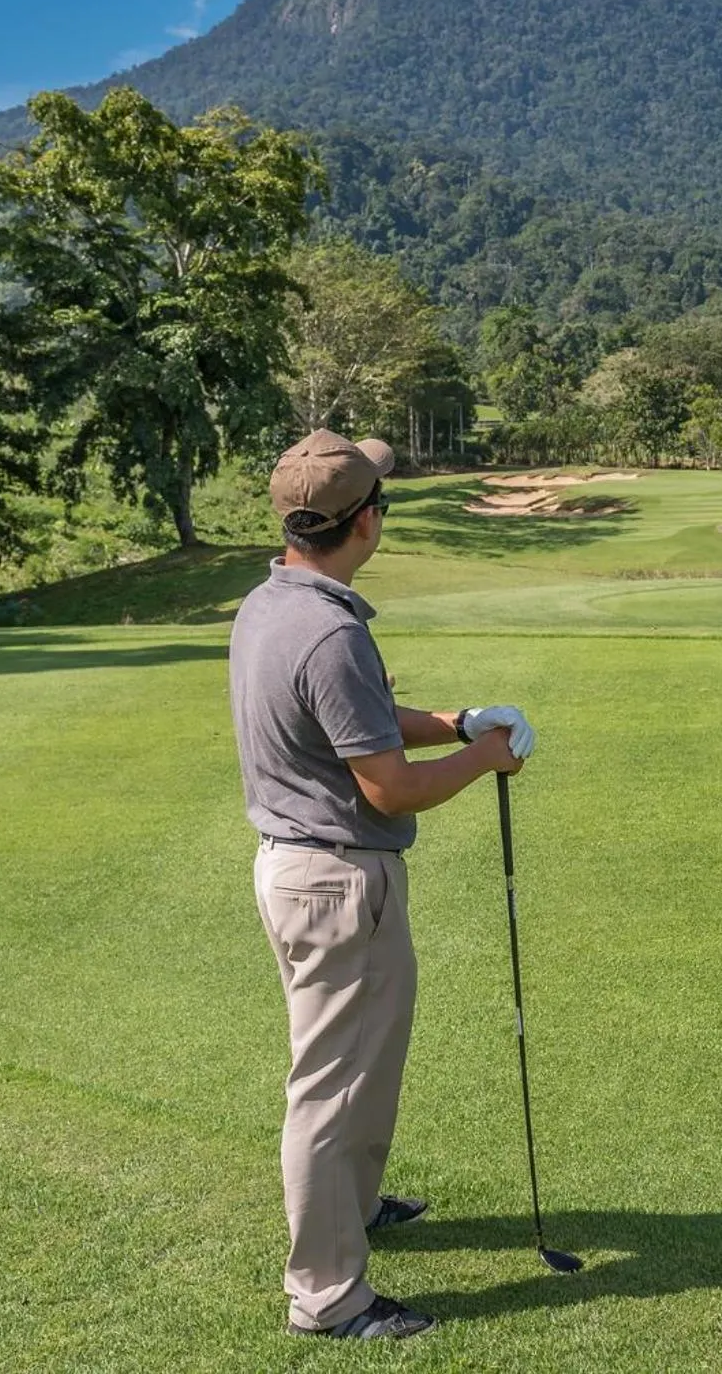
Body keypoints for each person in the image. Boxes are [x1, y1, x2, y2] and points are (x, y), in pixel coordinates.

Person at [229, 430, 538, 1340]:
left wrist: (451, 721)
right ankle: (328, 1298)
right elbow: (389, 785)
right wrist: (486, 757)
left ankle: (351, 1211)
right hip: (335, 881)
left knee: (359, 1072)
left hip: (304, 874)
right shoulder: (329, 631)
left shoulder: (271, 600)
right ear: (366, 521)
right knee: (330, 1087)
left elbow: (353, 723)